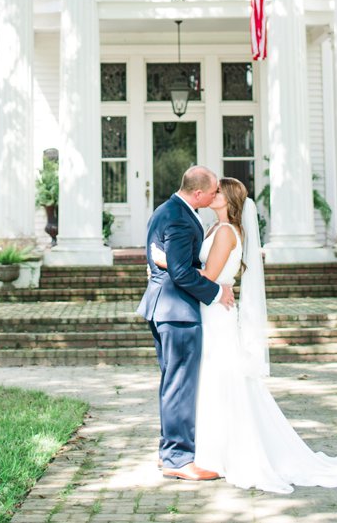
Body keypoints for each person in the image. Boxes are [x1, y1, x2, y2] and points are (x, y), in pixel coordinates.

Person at [152, 177, 337, 494]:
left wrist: (167, 260)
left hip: (214, 313)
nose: (213, 194)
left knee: (219, 378)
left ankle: (217, 452)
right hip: (209, 309)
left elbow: (208, 276)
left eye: (219, 191)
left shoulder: (225, 232)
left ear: (230, 200)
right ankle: (201, 450)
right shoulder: (213, 228)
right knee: (209, 380)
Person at [136, 165, 236, 482]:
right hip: (176, 311)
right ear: (197, 193)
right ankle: (178, 458)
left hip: (164, 308)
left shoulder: (168, 210)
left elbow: (170, 261)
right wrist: (216, 291)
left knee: (172, 384)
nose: (213, 196)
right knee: (179, 385)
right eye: (211, 192)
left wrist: (165, 262)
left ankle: (169, 453)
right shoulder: (179, 216)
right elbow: (180, 272)